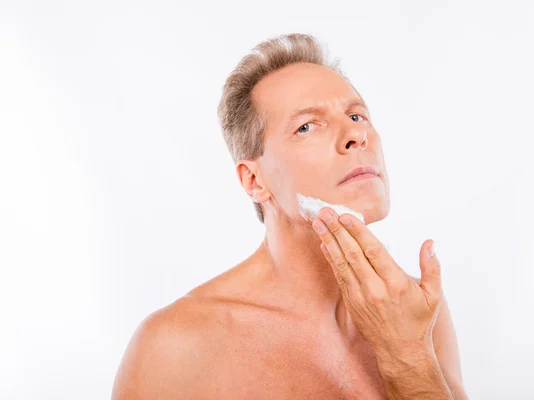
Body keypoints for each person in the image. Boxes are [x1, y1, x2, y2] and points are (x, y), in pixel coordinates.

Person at [112, 33, 468, 399]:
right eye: (307, 126)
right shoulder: (174, 349)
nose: (356, 134)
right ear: (254, 180)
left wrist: (409, 356)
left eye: (356, 114)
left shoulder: (416, 311)